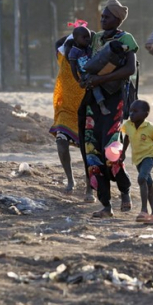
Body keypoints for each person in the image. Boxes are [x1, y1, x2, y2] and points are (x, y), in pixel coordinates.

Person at [78, 0, 138, 218]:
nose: (103, 19)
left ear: (118, 19)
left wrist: (101, 80)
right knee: (92, 152)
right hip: (94, 101)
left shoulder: (126, 39)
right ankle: (105, 204)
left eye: (107, 16)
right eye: (102, 16)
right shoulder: (95, 39)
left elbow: (130, 69)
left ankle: (124, 191)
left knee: (111, 151)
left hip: (114, 100)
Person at [50, 22, 88, 194]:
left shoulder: (88, 59)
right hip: (66, 110)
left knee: (89, 150)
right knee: (61, 141)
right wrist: (74, 33)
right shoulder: (62, 58)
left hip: (87, 109)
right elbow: (58, 43)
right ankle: (70, 180)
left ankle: (90, 186)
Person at [120, 100, 153, 224]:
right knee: (148, 183)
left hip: (149, 156)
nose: (131, 114)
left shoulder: (150, 128)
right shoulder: (128, 125)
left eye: (135, 111)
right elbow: (127, 138)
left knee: (141, 179)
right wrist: (123, 152)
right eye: (130, 111)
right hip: (137, 158)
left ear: (145, 114)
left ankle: (144, 210)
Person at [67, 25, 111, 115]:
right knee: (94, 85)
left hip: (95, 70)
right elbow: (73, 67)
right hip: (85, 74)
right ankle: (101, 105)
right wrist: (78, 80)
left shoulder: (89, 47)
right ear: (76, 39)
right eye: (84, 37)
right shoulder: (73, 52)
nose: (87, 39)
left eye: (88, 37)